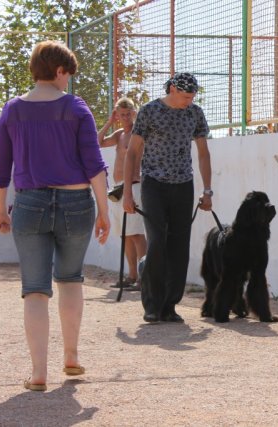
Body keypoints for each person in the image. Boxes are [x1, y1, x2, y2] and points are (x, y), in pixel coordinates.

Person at [0, 40, 110, 391]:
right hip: (76, 203)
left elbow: (0, 170)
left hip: (29, 204)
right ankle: (71, 356)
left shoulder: (12, 110)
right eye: (68, 74)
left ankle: (39, 373)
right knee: (70, 279)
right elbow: (94, 166)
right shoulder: (75, 108)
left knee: (35, 290)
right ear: (59, 71)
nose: (69, 81)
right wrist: (104, 212)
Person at [123, 72, 212, 324]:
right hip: (153, 184)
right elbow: (133, 153)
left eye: (192, 96)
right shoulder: (150, 111)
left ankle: (170, 305)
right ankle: (152, 305)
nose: (189, 101)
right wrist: (129, 192)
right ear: (172, 89)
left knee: (179, 247)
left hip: (184, 184)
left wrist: (207, 190)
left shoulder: (195, 113)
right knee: (157, 243)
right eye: (185, 96)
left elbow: (203, 153)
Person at [98, 97, 146, 290]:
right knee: (125, 234)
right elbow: (98, 142)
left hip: (133, 186)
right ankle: (131, 275)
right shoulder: (119, 134)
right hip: (118, 188)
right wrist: (110, 122)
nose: (125, 118)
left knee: (136, 233)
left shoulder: (138, 132)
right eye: (122, 114)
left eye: (128, 114)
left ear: (133, 113)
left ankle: (144, 277)